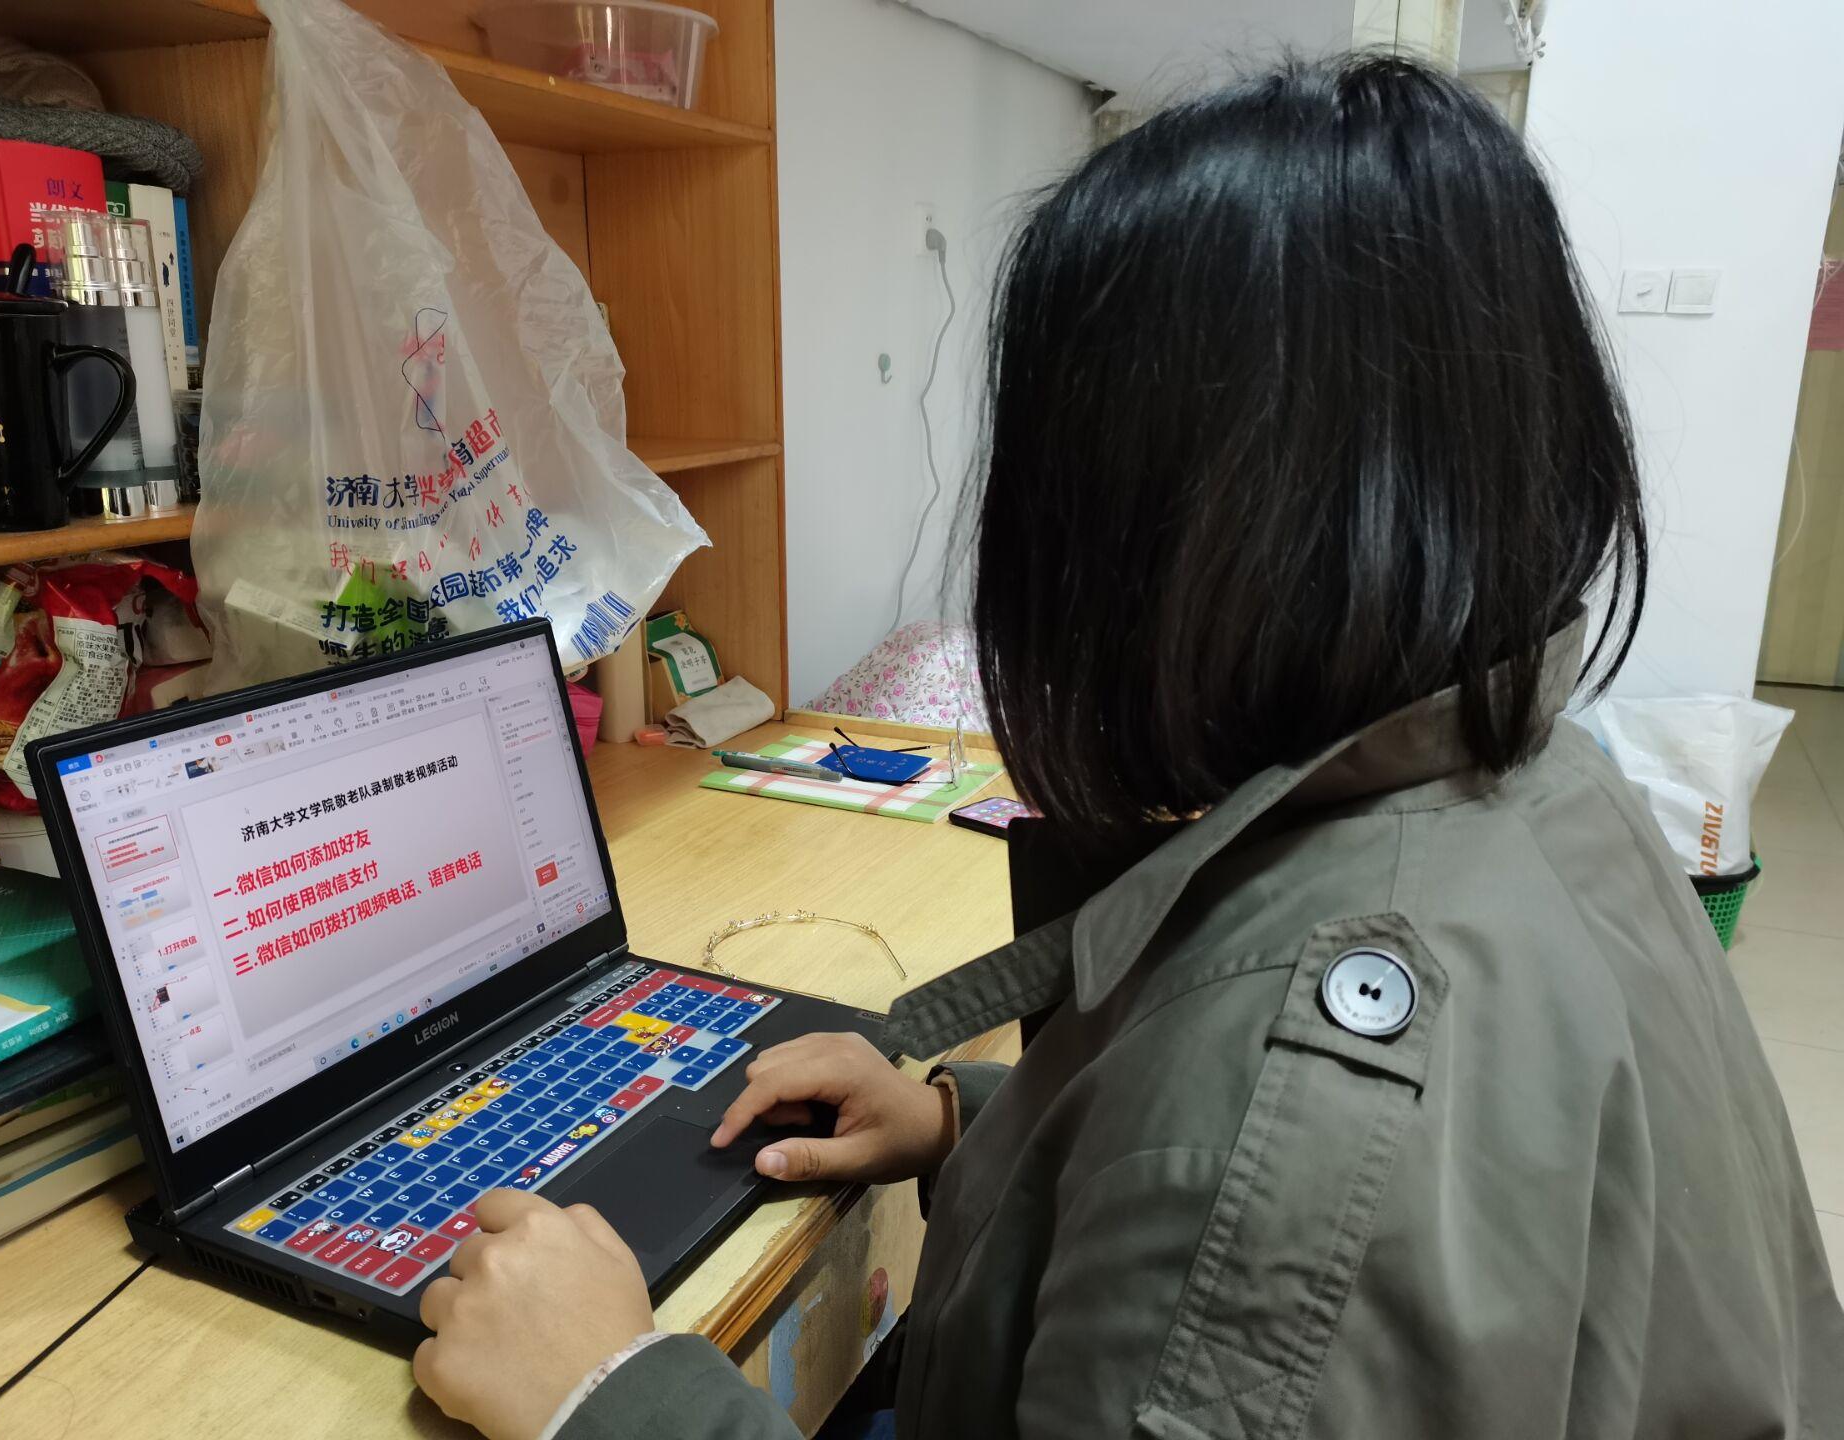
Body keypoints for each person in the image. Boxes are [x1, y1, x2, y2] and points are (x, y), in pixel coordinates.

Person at [411, 54, 1844, 1440]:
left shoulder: (1290, 1143)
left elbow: (1266, 1210)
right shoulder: (1539, 771)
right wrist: (971, 1124)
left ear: (1153, 528)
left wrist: (611, 1395)